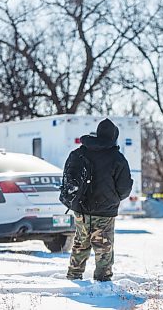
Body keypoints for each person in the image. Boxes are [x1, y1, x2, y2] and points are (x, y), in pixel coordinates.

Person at [63, 118, 133, 282]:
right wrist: (113, 199)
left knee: (80, 243)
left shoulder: (79, 153)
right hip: (104, 211)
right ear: (114, 137)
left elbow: (68, 177)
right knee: (104, 247)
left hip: (80, 208)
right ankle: (102, 281)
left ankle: (73, 277)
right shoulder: (117, 158)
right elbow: (124, 187)